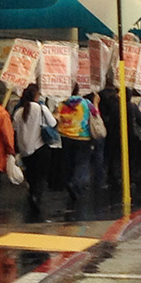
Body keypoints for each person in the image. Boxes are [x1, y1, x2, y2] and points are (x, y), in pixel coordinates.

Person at [12, 84, 56, 222]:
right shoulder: (40, 108)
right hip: (39, 147)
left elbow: (14, 129)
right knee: (41, 176)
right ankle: (36, 196)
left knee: (31, 175)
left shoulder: (18, 112)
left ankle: (32, 194)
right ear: (36, 95)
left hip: (25, 150)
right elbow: (53, 122)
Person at [56, 84, 94, 221]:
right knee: (82, 163)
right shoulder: (86, 103)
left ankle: (70, 182)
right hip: (82, 137)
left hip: (65, 137)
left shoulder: (61, 104)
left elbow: (57, 118)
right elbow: (95, 115)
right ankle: (76, 183)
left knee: (69, 162)